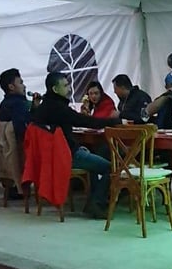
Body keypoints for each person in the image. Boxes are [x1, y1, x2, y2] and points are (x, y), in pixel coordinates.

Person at [31, 72, 113, 217]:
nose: (69, 88)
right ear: (55, 90)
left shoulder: (43, 107)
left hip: (50, 157)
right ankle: (97, 203)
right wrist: (114, 122)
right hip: (66, 155)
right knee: (111, 168)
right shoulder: (58, 108)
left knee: (93, 163)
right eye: (66, 85)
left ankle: (93, 201)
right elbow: (85, 121)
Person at [0, 67, 30, 141]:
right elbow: (21, 128)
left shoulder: (4, 103)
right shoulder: (18, 104)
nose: (24, 86)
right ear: (11, 87)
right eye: (21, 83)